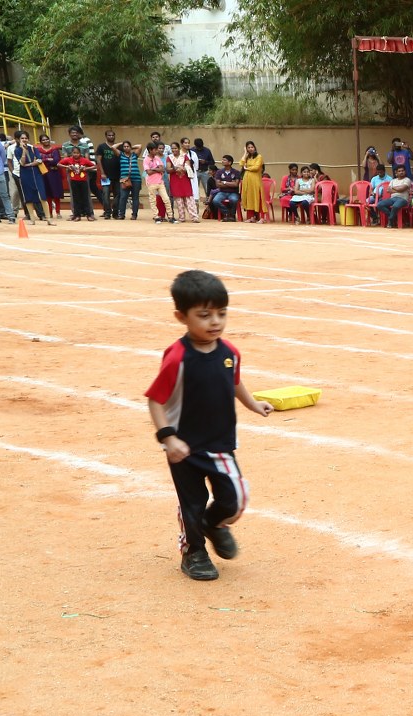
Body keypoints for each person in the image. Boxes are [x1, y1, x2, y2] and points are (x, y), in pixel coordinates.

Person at [145, 271, 275, 582]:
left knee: (236, 498)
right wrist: (168, 437)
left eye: (221, 313)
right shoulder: (178, 357)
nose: (215, 321)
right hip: (184, 447)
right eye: (204, 315)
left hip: (219, 443)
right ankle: (194, 552)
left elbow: (234, 381)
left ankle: (214, 522)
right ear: (182, 317)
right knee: (191, 503)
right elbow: (155, 399)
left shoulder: (229, 352)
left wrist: (253, 403)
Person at [6, 131, 52, 226]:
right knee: (28, 196)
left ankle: (48, 219)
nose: (24, 140)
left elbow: (39, 160)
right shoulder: (17, 150)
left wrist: (29, 164)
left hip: (36, 174)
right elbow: (22, 163)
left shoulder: (33, 148)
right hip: (25, 175)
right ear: (18, 139)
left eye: (26, 138)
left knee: (42, 195)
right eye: (22, 138)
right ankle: (32, 219)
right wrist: (23, 151)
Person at [58, 141, 97, 221]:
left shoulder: (84, 160)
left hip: (83, 181)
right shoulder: (69, 160)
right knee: (76, 198)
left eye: (77, 153)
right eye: (74, 153)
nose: (76, 154)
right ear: (71, 153)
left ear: (80, 153)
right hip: (74, 181)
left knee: (85, 197)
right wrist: (67, 167)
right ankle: (77, 215)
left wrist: (86, 168)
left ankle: (88, 214)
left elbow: (94, 166)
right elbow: (58, 164)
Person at [167, 141, 198, 223]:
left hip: (184, 180)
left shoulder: (184, 156)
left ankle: (194, 217)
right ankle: (182, 217)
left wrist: (182, 168)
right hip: (175, 180)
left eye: (175, 148)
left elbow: (188, 166)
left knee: (189, 199)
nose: (174, 150)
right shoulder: (169, 157)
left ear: (179, 148)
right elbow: (168, 169)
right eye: (172, 148)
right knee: (179, 200)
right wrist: (175, 168)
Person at [238, 141, 266, 222]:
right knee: (249, 198)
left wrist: (247, 168)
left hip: (256, 180)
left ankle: (262, 218)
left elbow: (256, 167)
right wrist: (244, 153)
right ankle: (252, 217)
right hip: (247, 180)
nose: (250, 149)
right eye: (248, 147)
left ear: (255, 147)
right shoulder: (247, 157)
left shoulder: (259, 157)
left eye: (252, 147)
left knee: (258, 197)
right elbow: (241, 163)